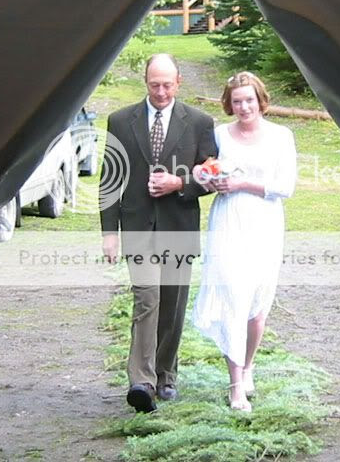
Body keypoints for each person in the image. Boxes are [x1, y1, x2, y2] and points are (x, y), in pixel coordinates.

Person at [100, 54, 217, 413]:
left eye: (167, 85)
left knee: (172, 305)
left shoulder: (199, 122)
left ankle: (166, 375)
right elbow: (110, 178)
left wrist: (179, 183)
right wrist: (109, 233)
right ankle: (142, 381)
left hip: (179, 227)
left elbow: (212, 174)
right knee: (147, 299)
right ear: (145, 82)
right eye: (155, 85)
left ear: (178, 82)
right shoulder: (121, 121)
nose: (161, 92)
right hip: (138, 227)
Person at [192, 71, 296, 412]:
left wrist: (242, 184)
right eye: (237, 101)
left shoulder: (281, 136)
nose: (244, 107)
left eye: (249, 100)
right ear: (229, 104)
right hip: (228, 221)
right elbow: (204, 169)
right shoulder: (220, 134)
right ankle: (235, 386)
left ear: (260, 100)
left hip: (264, 223)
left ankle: (248, 365)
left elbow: (285, 187)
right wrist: (207, 178)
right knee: (233, 300)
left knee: (257, 308)